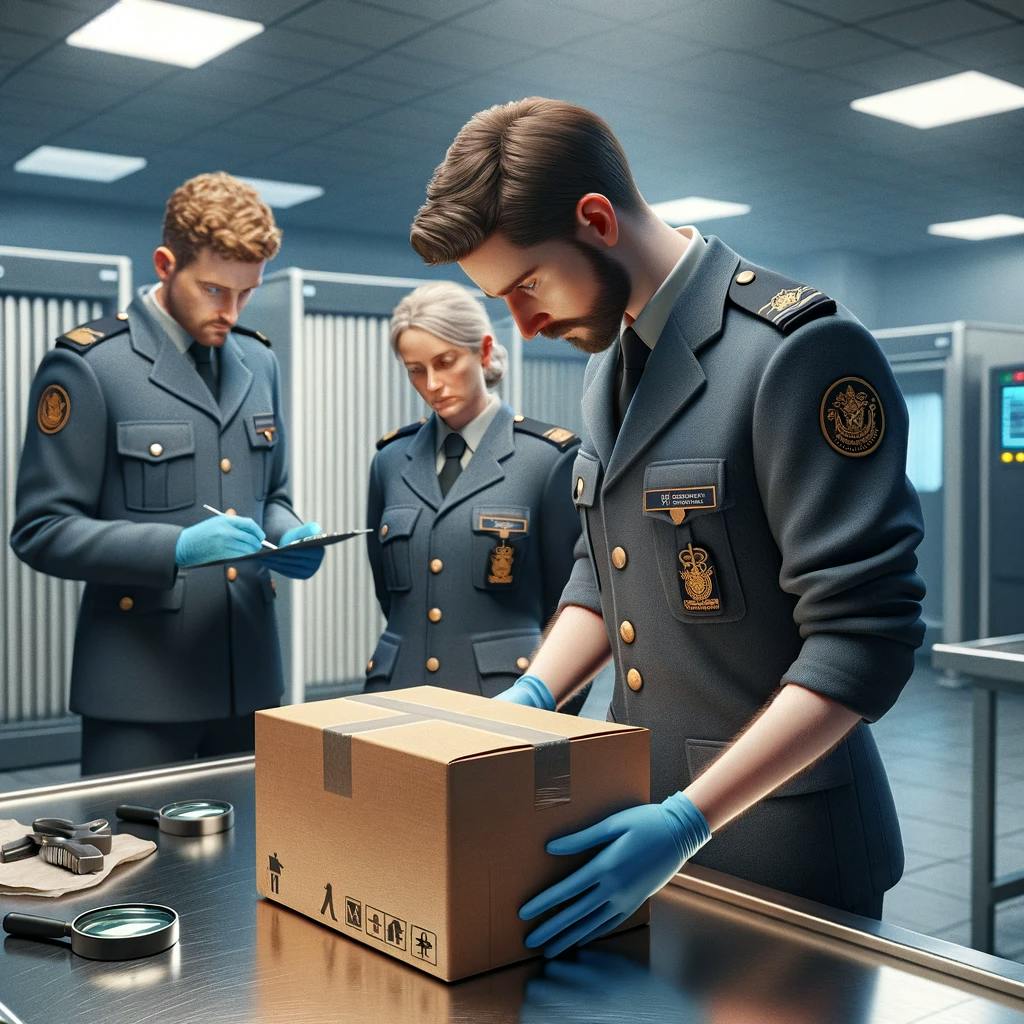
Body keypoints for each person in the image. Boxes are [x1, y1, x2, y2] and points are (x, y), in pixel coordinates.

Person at [409, 98, 926, 955]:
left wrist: (691, 818)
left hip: (783, 843)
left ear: (597, 220)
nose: (525, 327)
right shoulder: (611, 363)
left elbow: (863, 639)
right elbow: (600, 566)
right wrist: (534, 695)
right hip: (637, 820)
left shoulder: (794, 351)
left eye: (528, 286)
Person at [10, 172, 324, 775]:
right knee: (137, 862)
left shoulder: (258, 361)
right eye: (213, 290)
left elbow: (272, 492)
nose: (230, 312)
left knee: (254, 863)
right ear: (164, 264)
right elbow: (41, 528)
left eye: (246, 293)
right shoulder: (92, 366)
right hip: (140, 689)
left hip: (250, 677)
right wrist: (175, 548)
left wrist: (288, 534)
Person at [365, 280, 583, 701]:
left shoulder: (547, 459)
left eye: (445, 362)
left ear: (483, 352)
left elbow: (569, 610)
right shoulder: (390, 461)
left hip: (503, 700)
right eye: (415, 369)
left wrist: (552, 708)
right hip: (400, 694)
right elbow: (391, 598)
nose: (431, 383)